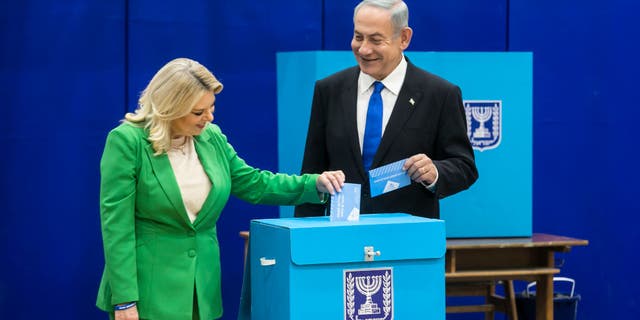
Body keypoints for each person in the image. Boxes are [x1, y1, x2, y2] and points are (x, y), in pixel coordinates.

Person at [95, 58, 345, 320]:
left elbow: (255, 184)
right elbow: (117, 228)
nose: (209, 117)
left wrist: (314, 184)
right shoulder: (127, 141)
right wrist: (124, 301)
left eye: (211, 107)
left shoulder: (211, 137)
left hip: (202, 292)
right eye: (198, 112)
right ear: (170, 107)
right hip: (148, 294)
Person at [295, 0, 478, 219]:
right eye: (358, 37)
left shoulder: (439, 94)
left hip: (407, 239)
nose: (363, 49)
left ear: (404, 38)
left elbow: (464, 167)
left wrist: (434, 172)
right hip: (341, 237)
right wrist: (305, 236)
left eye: (375, 39)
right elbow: (313, 172)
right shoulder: (329, 90)